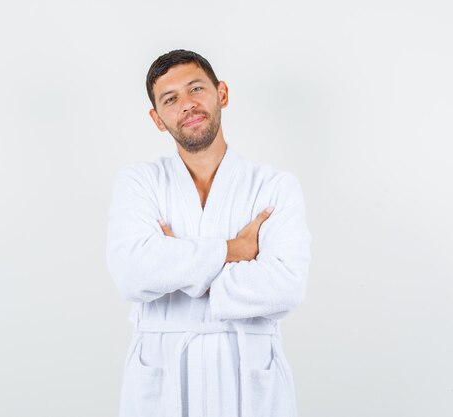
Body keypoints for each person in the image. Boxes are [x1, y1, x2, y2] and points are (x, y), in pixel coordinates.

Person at [106, 49, 313, 417]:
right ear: (157, 118)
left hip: (245, 372)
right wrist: (234, 250)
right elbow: (132, 273)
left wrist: (178, 262)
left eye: (196, 89)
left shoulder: (274, 187)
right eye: (170, 99)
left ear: (222, 94)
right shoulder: (140, 183)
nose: (187, 104)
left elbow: (287, 285)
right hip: (163, 371)